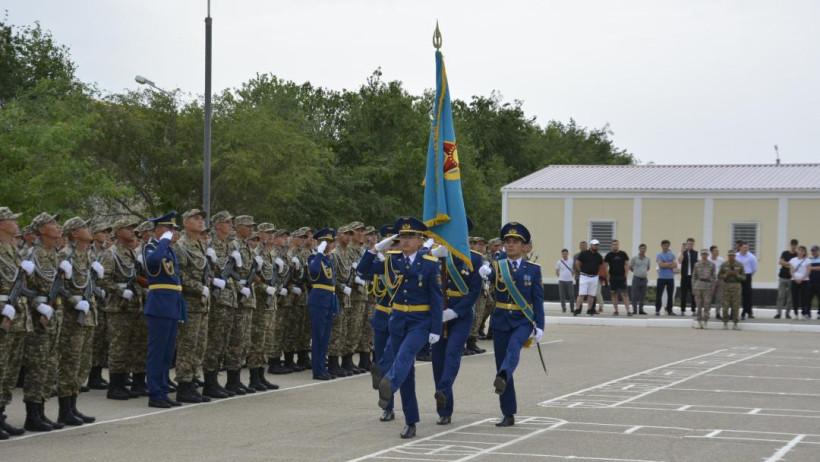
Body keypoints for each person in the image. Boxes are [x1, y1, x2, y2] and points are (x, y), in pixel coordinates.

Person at [359, 216, 443, 439]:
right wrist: (375, 248)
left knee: (405, 356)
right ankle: (411, 421)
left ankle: (389, 383)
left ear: (420, 240)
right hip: (397, 320)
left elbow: (436, 298)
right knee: (408, 375)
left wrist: (436, 328)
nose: (405, 241)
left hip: (420, 322)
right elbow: (363, 270)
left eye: (411, 237)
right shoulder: (392, 260)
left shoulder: (429, 263)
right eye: (402, 237)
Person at [487, 222, 544, 428]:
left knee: (513, 350)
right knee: (502, 363)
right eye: (507, 242)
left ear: (524, 247)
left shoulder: (533, 270)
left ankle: (502, 374)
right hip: (501, 319)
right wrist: (483, 273)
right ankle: (508, 413)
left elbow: (538, 300)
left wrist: (540, 326)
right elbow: (488, 281)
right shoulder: (496, 266)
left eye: (515, 242)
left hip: (523, 320)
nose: (510, 245)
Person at [430, 224, 483, 426]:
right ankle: (444, 410)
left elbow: (474, 291)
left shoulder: (475, 259)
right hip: (438, 315)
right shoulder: (436, 256)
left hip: (460, 315)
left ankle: (443, 390)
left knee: (452, 353)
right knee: (438, 361)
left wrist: (455, 311)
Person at [55, 217, 98, 426]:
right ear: (74, 234)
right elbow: (56, 286)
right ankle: (65, 410)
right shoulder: (64, 256)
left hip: (89, 315)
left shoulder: (88, 256)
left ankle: (73, 406)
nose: (88, 230)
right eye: (84, 227)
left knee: (83, 363)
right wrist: (73, 301)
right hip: (73, 318)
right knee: (69, 363)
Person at [142, 212, 187, 408]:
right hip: (159, 304)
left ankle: (162, 389)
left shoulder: (169, 250)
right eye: (170, 229)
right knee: (157, 352)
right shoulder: (151, 247)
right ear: (159, 230)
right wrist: (163, 241)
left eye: (174, 230)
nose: (174, 233)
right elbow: (152, 263)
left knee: (168, 353)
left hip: (172, 304)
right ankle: (154, 393)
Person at [172, 209, 213, 403]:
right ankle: (184, 385)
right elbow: (178, 275)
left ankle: (193, 382)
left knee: (199, 346)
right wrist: (199, 287)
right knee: (187, 346)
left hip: (202, 304)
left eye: (202, 219)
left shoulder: (201, 244)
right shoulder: (180, 246)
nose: (200, 222)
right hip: (189, 303)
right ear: (186, 223)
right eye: (196, 219)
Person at [0, 207, 28, 437]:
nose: (16, 224)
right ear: (1, 224)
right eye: (12, 220)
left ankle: (1, 415)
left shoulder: (14, 250)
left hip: (16, 314)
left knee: (9, 370)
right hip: (3, 313)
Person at [306, 228, 338, 380]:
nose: (329, 245)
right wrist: (318, 252)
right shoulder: (313, 257)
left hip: (328, 299)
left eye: (330, 242)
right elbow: (313, 270)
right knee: (318, 336)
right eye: (325, 242)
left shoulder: (327, 259)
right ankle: (317, 370)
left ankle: (322, 368)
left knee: (325, 337)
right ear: (318, 243)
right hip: (318, 300)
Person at [574, 239, 602, 316]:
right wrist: (582, 271)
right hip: (584, 276)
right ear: (591, 245)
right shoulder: (584, 254)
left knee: (591, 294)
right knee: (581, 294)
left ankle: (590, 309)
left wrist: (596, 272)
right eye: (595, 245)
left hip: (594, 277)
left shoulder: (598, 256)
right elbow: (577, 263)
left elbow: (600, 266)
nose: (596, 246)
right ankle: (577, 309)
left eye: (597, 245)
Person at [718, 249, 745, 330]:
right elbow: (719, 276)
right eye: (730, 255)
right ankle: (725, 323)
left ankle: (735, 323)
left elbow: (744, 277)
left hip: (736, 286)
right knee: (725, 305)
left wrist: (736, 274)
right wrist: (726, 274)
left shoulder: (740, 265)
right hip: (726, 285)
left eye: (732, 255)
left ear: (735, 256)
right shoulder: (724, 264)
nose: (731, 256)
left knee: (735, 306)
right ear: (728, 256)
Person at [604, 240, 630, 316]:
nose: (615, 246)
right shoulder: (609, 255)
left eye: (616, 244)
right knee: (614, 294)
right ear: (611, 246)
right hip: (613, 278)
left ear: (618, 245)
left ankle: (628, 311)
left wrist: (626, 275)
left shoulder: (623, 254)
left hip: (622, 277)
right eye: (613, 244)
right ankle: (616, 311)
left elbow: (627, 265)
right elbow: (605, 266)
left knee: (624, 294)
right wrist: (608, 276)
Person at [692, 249, 715, 329]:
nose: (704, 255)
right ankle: (699, 321)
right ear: (701, 255)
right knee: (698, 305)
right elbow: (694, 277)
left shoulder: (712, 264)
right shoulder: (696, 265)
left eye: (705, 254)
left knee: (707, 305)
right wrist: (693, 288)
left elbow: (714, 277)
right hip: (698, 286)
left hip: (707, 286)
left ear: (708, 255)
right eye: (703, 254)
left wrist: (713, 288)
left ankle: (705, 321)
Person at [776, 239, 799, 319]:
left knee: (790, 298)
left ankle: (787, 313)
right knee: (780, 296)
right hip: (782, 277)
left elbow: (796, 265)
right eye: (792, 244)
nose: (794, 246)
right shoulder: (785, 253)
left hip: (791, 278)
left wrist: (786, 263)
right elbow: (780, 262)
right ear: (790, 245)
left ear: (797, 246)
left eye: (795, 245)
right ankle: (778, 313)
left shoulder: (797, 255)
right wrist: (791, 264)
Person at [735, 242, 757, 320]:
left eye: (747, 247)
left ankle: (747, 312)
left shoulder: (751, 257)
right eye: (744, 247)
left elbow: (754, 268)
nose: (745, 249)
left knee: (747, 295)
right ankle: (735, 312)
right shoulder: (736, 256)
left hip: (747, 276)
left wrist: (749, 275)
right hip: (737, 277)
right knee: (737, 295)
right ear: (740, 247)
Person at [655, 240, 678, 316]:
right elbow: (661, 265)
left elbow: (675, 265)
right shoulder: (659, 255)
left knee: (670, 295)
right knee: (659, 294)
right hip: (661, 277)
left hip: (670, 278)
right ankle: (657, 310)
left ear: (669, 246)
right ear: (661, 246)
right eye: (664, 245)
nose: (666, 247)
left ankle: (670, 310)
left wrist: (666, 264)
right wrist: (669, 263)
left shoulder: (672, 255)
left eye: (667, 245)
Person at [678, 238, 698, 316]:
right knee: (683, 294)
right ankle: (682, 310)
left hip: (693, 277)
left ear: (693, 244)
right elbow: (679, 261)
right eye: (689, 244)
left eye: (692, 244)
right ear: (686, 244)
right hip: (685, 277)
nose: (690, 245)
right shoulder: (683, 253)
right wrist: (682, 252)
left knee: (694, 294)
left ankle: (693, 310)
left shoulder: (696, 253)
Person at [789, 245, 810, 320]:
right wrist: (795, 278)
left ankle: (804, 313)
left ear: (804, 252)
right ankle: (795, 313)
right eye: (800, 250)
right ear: (797, 251)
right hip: (794, 280)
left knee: (804, 298)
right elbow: (791, 271)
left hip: (804, 281)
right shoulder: (792, 260)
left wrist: (801, 278)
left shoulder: (807, 261)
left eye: (803, 251)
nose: (801, 252)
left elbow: (808, 271)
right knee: (795, 297)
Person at [629, 244, 650, 315]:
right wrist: (636, 272)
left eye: (644, 248)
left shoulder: (647, 259)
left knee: (642, 295)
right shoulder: (635, 258)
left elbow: (648, 268)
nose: (643, 250)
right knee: (634, 295)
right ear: (639, 249)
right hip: (636, 278)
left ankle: (641, 310)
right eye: (641, 248)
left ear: (646, 250)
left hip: (644, 279)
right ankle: (634, 310)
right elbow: (630, 267)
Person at [708, 246, 725, 320]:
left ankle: (717, 313)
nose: (717, 252)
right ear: (711, 252)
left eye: (717, 251)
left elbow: (724, 269)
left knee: (719, 298)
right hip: (710, 281)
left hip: (720, 280)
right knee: (709, 297)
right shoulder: (708, 260)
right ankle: (707, 312)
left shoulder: (721, 260)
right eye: (715, 251)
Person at [555, 249, 574, 314]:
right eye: (563, 254)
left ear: (568, 254)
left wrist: (571, 276)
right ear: (562, 254)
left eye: (566, 253)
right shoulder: (559, 262)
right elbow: (557, 271)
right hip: (561, 281)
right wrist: (560, 277)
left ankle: (572, 308)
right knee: (562, 295)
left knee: (571, 295)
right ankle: (563, 308)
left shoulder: (571, 261)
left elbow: (573, 270)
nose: (565, 255)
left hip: (570, 281)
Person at [807, 245, 820, 320]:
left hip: (819, 282)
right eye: (812, 251)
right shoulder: (809, 260)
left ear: (818, 251)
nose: (813, 252)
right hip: (810, 282)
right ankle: (808, 313)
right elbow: (806, 268)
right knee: (808, 299)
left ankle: (819, 314)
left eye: (815, 251)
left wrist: (811, 268)